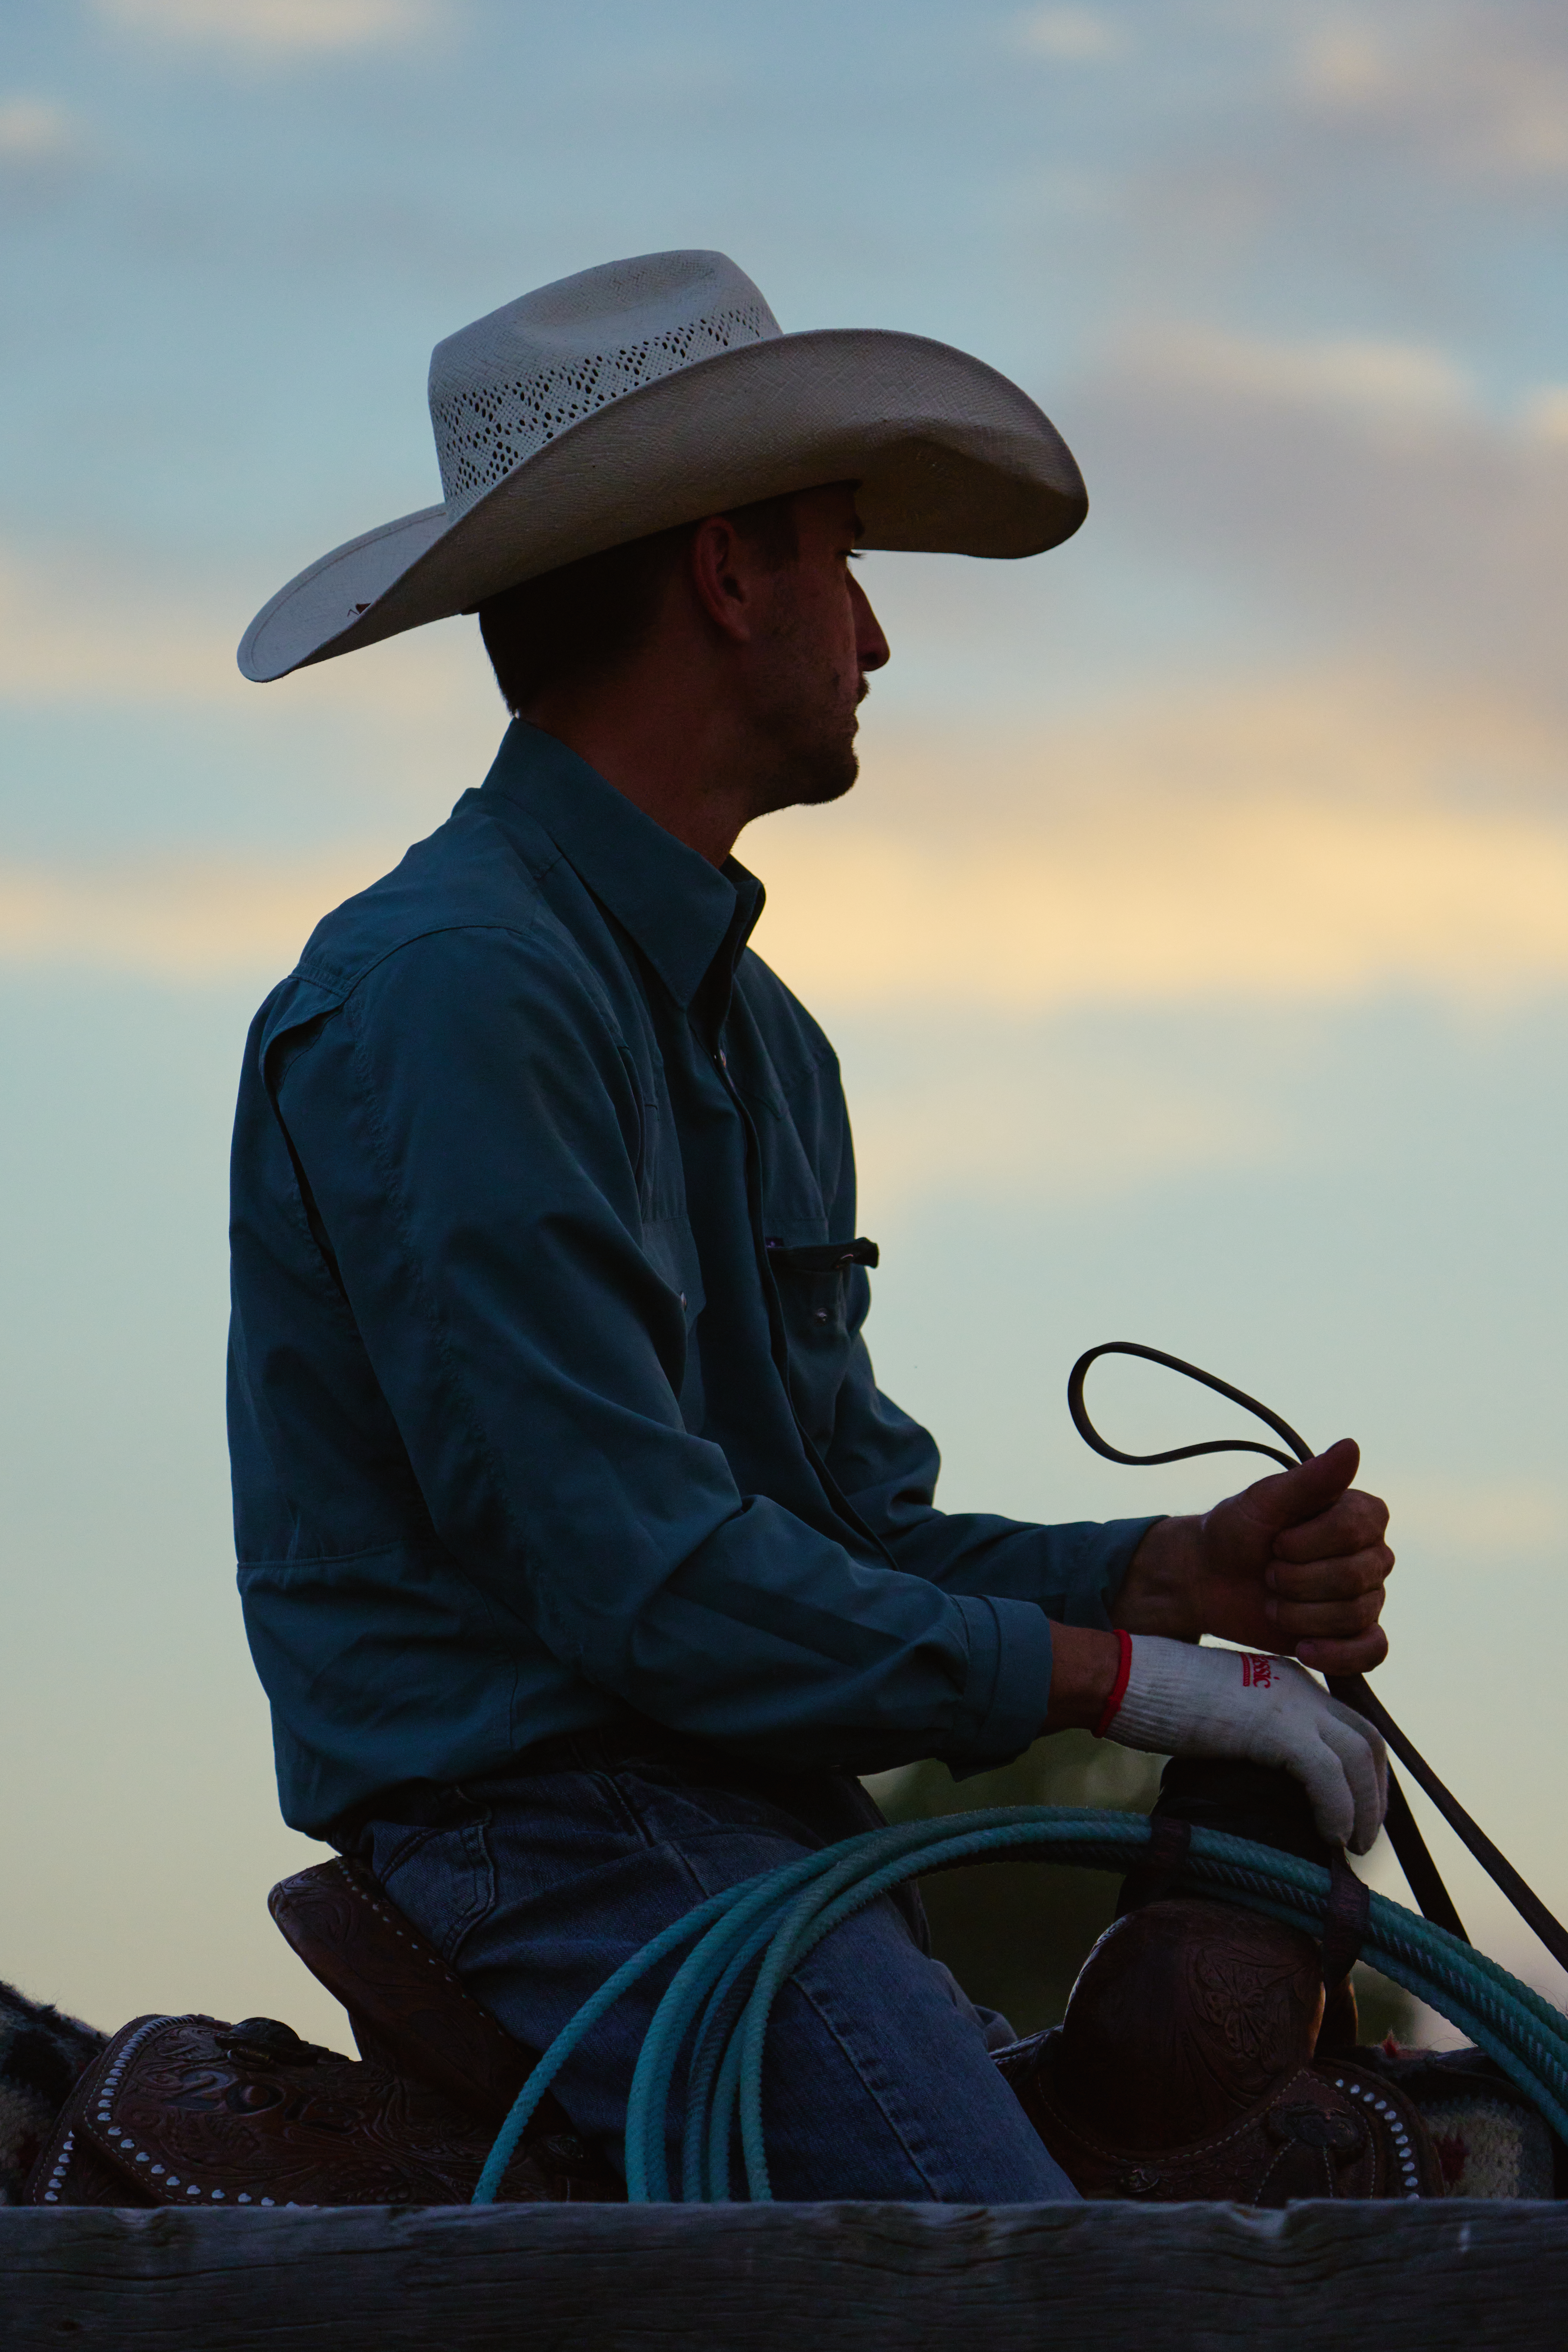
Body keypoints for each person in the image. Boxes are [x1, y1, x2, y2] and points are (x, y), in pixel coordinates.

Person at [228, 250, 1393, 2201]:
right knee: (1018, 2294)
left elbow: (839, 1526)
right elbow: (647, 1584)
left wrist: (1169, 1573)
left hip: (750, 1828)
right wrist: (1143, 1688)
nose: (872, 635)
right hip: (563, 1834)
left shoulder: (757, 1037)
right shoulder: (451, 991)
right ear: (729, 574)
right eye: (845, 564)